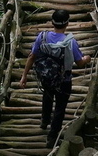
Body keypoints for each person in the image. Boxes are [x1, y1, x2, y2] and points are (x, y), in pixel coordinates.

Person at [19, 9, 90, 148]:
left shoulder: (42, 37)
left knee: (47, 95)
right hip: (64, 80)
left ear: (52, 22)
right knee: (60, 107)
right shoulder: (70, 42)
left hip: (47, 77)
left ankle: (44, 121)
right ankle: (52, 137)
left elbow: (32, 56)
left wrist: (24, 76)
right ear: (67, 23)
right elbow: (80, 62)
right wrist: (87, 58)